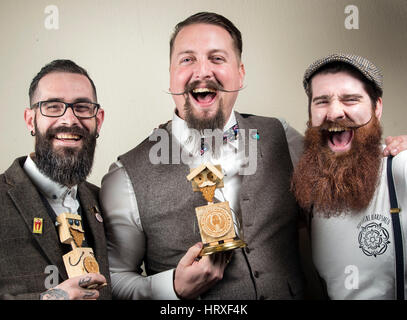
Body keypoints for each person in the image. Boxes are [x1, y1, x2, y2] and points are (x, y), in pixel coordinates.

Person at [101, 12, 306, 300]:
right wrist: (170, 288)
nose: (202, 72)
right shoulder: (124, 175)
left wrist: (390, 155)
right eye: (187, 59)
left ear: (241, 72)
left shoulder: (280, 135)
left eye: (217, 58)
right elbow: (116, 278)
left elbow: (338, 194)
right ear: (171, 75)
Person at [291, 53, 407, 299]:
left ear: (377, 108)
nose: (334, 113)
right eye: (322, 101)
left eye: (350, 99)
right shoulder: (311, 188)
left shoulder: (400, 169)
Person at [0, 60, 111, 300]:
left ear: (98, 120)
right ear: (31, 120)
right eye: (52, 107)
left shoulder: (105, 200)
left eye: (82, 107)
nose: (69, 120)